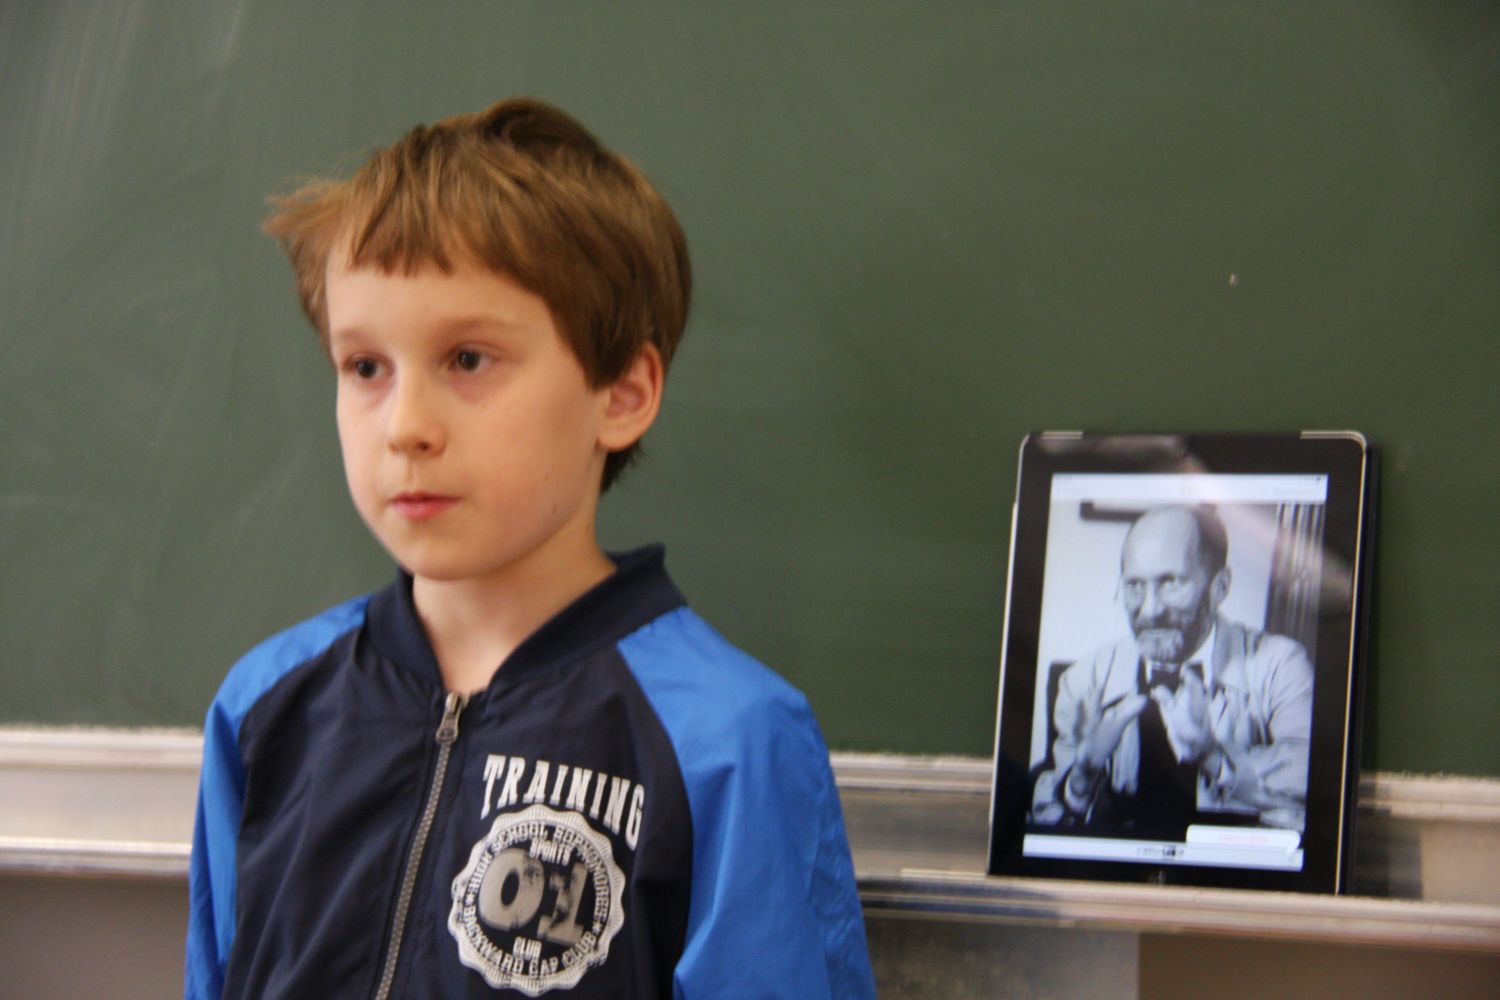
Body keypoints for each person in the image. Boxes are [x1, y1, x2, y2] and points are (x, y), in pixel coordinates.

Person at [185, 98, 876, 999]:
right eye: (365, 367)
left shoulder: (727, 739)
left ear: (621, 394)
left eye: (468, 359)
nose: (405, 426)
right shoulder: (265, 705)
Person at [1031, 505, 1313, 836]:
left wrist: (1213, 757)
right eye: (1134, 585)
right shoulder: (1084, 678)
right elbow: (1045, 824)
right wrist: (1082, 776)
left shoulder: (1282, 665)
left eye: (1172, 583)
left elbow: (1309, 784)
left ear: (1220, 587)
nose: (1150, 610)